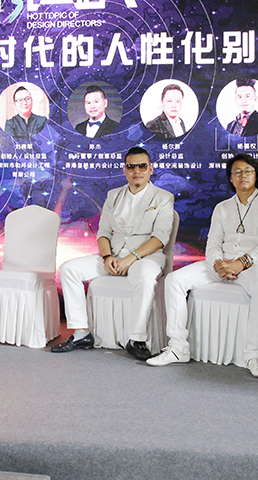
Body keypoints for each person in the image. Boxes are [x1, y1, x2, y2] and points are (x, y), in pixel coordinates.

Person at [146, 153, 258, 377]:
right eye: (237, 172)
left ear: (256, 175)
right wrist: (218, 264)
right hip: (221, 262)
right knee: (174, 279)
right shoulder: (223, 207)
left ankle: (253, 354)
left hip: (253, 265)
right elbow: (212, 243)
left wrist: (242, 262)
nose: (242, 176)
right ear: (230, 178)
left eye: (247, 171)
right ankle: (178, 347)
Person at [52, 146, 175, 360]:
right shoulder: (114, 195)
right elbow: (103, 233)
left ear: (150, 169)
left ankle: (137, 339)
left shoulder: (163, 197)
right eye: (131, 167)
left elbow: (160, 238)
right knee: (68, 269)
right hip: (114, 255)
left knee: (145, 276)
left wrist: (130, 258)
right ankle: (81, 333)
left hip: (145, 257)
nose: (137, 171)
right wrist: (107, 257)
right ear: (125, 170)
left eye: (142, 166)